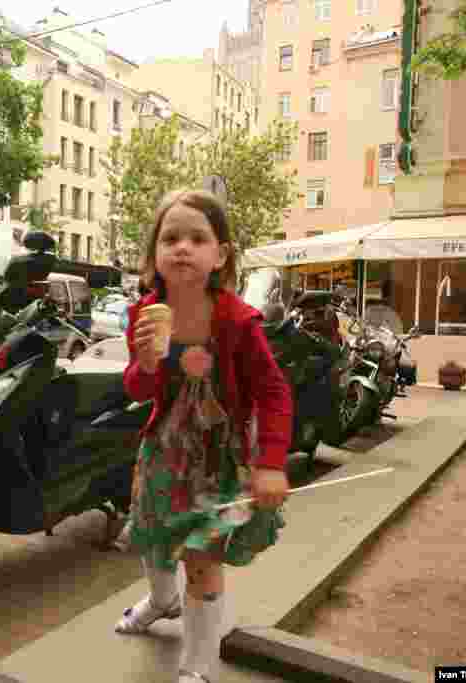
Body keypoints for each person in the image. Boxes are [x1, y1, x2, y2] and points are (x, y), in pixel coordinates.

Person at [116, 189, 293, 683]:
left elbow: (274, 391)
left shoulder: (237, 321)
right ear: (155, 253)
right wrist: (145, 362)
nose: (182, 247)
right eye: (170, 238)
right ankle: (161, 600)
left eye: (197, 238)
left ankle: (197, 668)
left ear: (220, 255)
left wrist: (271, 462)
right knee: (151, 538)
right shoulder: (145, 313)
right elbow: (137, 388)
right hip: (163, 451)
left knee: (201, 560)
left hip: (219, 461)